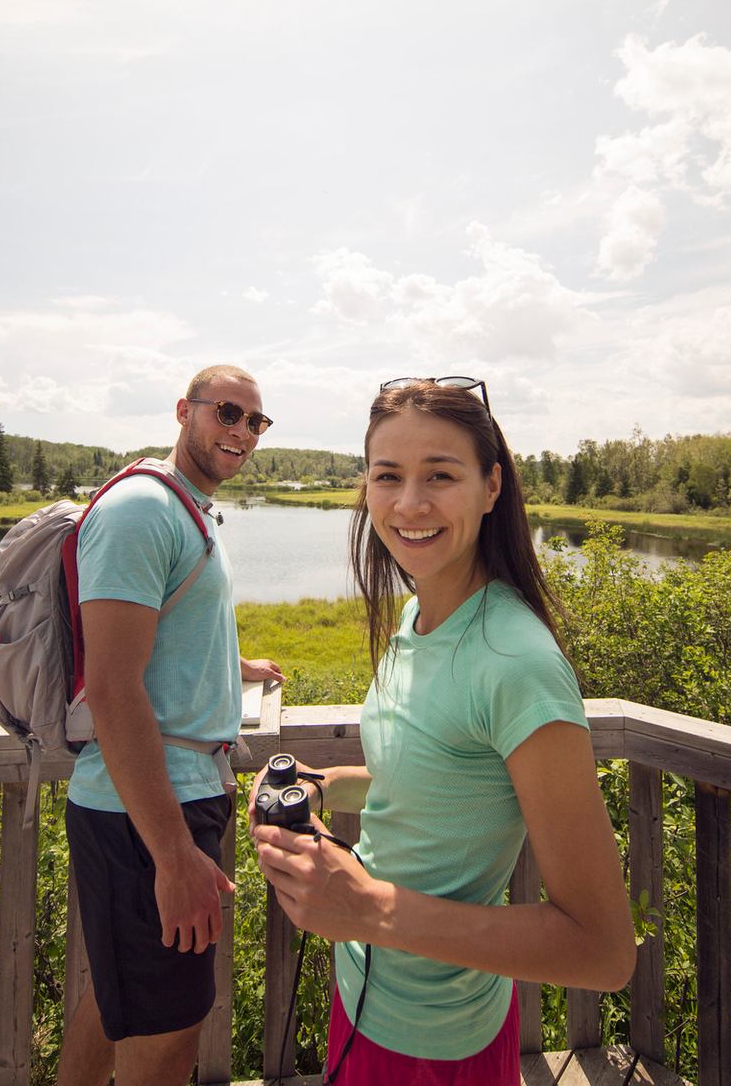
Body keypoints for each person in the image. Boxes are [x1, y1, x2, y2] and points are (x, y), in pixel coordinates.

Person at [253, 376, 634, 1084]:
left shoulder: (514, 663)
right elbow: (451, 781)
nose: (409, 503)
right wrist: (331, 784)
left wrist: (367, 909)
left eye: (440, 475)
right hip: (364, 993)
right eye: (387, 477)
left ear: (493, 487)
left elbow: (603, 951)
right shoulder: (417, 619)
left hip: (437, 1040)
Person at [56, 364, 286, 1086]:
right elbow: (115, 689)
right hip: (146, 814)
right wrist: (175, 855)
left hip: (167, 799)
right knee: (167, 1039)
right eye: (227, 412)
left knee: (123, 1000)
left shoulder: (185, 509)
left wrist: (230, 663)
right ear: (184, 411)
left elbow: (159, 634)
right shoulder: (142, 511)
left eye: (256, 421)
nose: (242, 432)